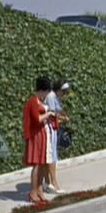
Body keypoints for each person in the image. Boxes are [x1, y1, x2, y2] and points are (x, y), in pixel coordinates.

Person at [23, 76, 55, 205]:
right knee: (37, 164)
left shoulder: (40, 102)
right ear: (41, 90)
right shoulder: (32, 101)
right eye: (45, 92)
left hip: (42, 134)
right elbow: (37, 118)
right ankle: (33, 191)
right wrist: (48, 114)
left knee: (42, 163)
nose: (45, 96)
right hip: (35, 135)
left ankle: (39, 189)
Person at [43, 79, 70, 194]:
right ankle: (54, 183)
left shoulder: (55, 97)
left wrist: (63, 117)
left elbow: (57, 113)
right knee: (52, 157)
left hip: (52, 129)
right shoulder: (51, 96)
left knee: (50, 157)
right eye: (64, 91)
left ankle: (48, 183)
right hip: (49, 129)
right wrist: (63, 118)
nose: (65, 94)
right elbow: (52, 115)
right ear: (58, 89)